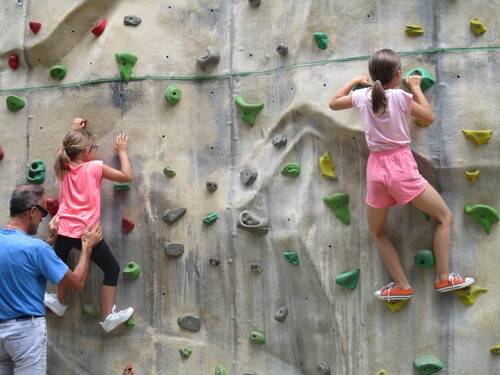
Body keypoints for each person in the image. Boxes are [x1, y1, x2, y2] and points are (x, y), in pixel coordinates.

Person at [329, 48, 474, 300]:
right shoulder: (399, 96)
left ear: (371, 75)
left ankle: (402, 286)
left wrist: (354, 81)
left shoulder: (363, 96)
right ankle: (442, 278)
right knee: (444, 217)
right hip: (401, 167)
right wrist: (416, 87)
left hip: (375, 170)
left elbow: (333, 103)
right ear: (398, 75)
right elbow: (428, 117)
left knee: (377, 232)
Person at [0, 184, 102, 374]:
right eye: (43, 214)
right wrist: (86, 247)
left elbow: (18, 259)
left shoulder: (32, 247)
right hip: (25, 333)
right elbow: (77, 283)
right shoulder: (37, 249)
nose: (42, 220)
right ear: (32, 211)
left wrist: (48, 243)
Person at [44, 118, 133, 332]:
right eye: (94, 147)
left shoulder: (63, 166)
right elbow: (126, 176)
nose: (96, 151)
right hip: (86, 233)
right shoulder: (94, 167)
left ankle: (60, 302)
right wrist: (122, 151)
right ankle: (107, 316)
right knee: (111, 269)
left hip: (64, 229)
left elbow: (61, 150)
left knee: (61, 266)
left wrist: (73, 129)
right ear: (85, 151)